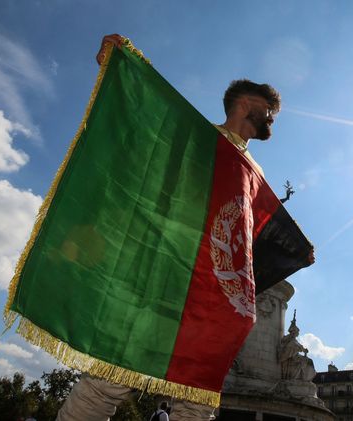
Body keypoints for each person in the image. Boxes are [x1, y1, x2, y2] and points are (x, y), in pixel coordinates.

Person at [57, 34, 308, 421]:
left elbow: (252, 230)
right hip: (166, 280)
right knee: (110, 380)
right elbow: (147, 126)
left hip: (215, 297)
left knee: (198, 402)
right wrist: (120, 65)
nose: (272, 116)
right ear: (243, 104)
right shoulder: (197, 138)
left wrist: (294, 247)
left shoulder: (254, 170)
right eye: (266, 108)